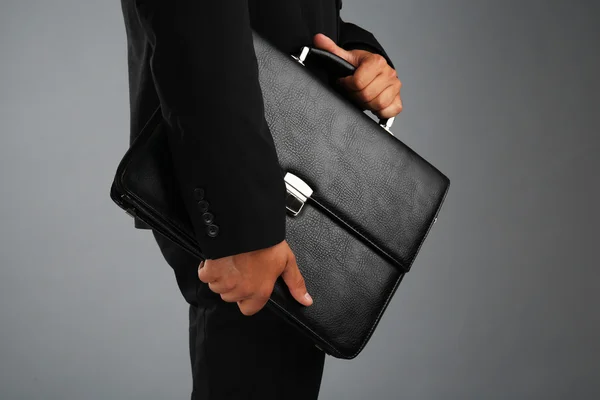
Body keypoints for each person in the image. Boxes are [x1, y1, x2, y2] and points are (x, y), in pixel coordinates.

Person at [119, 0, 402, 398]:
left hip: (286, 163)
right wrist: (244, 223)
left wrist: (362, 55)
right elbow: (193, 17)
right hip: (240, 181)